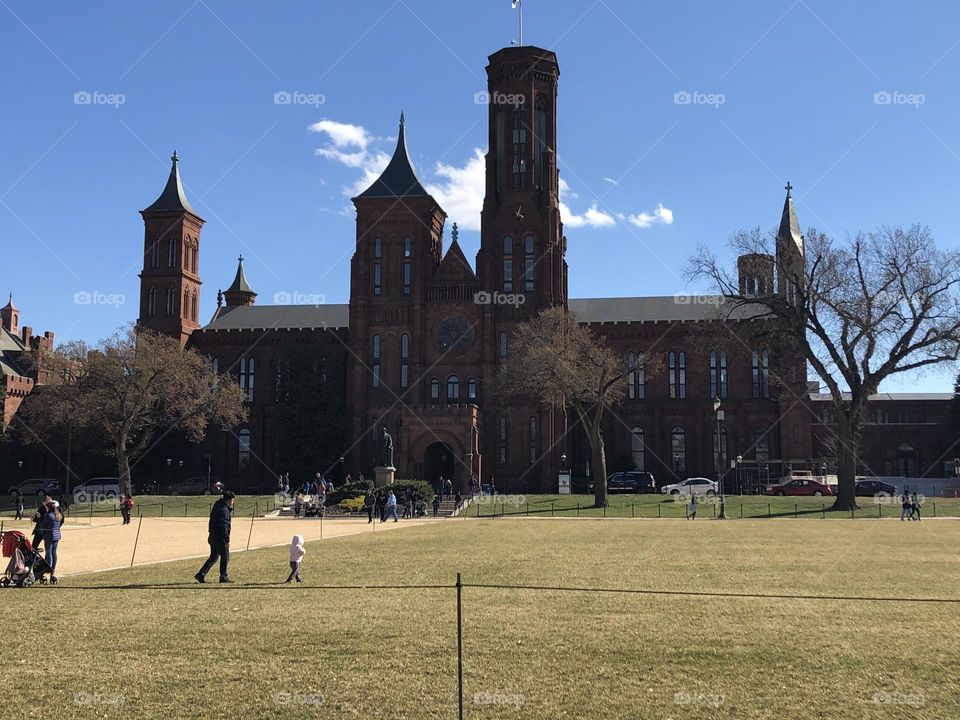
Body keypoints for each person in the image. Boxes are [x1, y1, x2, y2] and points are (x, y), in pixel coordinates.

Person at [195, 491, 236, 583]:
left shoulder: (217, 506)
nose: (233, 502)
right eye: (233, 500)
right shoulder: (224, 510)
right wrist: (226, 540)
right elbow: (224, 526)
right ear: (229, 500)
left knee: (213, 557)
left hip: (212, 536)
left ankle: (201, 574)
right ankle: (223, 576)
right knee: (225, 556)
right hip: (219, 538)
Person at [40, 499, 63, 582]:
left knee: (48, 552)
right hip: (57, 536)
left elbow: (43, 525)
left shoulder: (48, 515)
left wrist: (39, 518)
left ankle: (48, 567)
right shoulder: (58, 515)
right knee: (54, 553)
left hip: (49, 535)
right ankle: (53, 570)